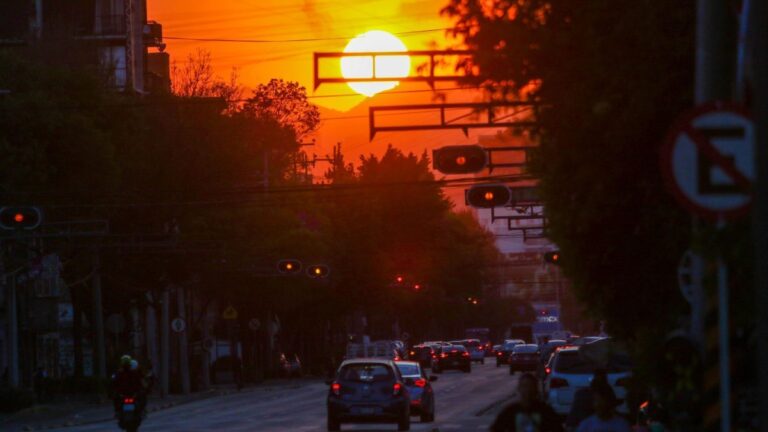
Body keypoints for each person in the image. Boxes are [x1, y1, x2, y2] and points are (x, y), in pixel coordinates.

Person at [491, 372, 563, 432]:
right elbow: (496, 428)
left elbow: (558, 428)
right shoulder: (511, 412)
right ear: (519, 388)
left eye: (530, 386)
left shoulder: (545, 411)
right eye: (524, 386)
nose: (527, 390)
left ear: (535, 389)